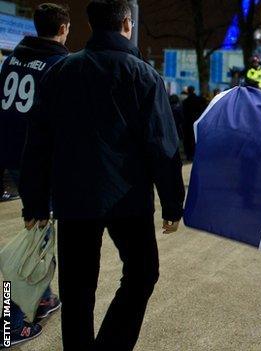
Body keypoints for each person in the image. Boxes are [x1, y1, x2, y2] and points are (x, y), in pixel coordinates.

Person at [19, 1, 185, 350]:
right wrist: (172, 203)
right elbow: (163, 146)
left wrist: (33, 200)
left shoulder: (61, 72)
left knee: (78, 291)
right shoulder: (144, 75)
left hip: (74, 197)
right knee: (142, 274)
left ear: (91, 25)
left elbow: (37, 142)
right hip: (128, 198)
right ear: (127, 23)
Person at [0, 3, 69, 346]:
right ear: (63, 29)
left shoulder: (12, 58)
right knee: (34, 241)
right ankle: (10, 323)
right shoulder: (60, 65)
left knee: (39, 231)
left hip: (11, 154)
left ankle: (43, 297)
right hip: (39, 161)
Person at [182, 86, 207, 161]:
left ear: (188, 92)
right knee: (197, 138)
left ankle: (189, 155)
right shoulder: (200, 99)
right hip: (198, 121)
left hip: (188, 123)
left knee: (189, 139)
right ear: (194, 91)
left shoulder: (185, 101)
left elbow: (184, 113)